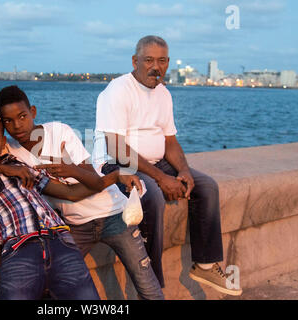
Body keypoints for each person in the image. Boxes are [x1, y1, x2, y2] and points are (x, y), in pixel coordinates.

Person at [0, 85, 163, 300]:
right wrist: (4, 168)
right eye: (8, 121)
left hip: (114, 214)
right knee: (53, 286)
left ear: (33, 112)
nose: (17, 125)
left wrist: (69, 169)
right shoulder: (9, 149)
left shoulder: (58, 131)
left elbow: (94, 179)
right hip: (75, 225)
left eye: (22, 116)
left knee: (147, 286)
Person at [0, 106, 139, 300]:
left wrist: (114, 177)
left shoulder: (19, 165)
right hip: (19, 248)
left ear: (3, 142)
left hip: (61, 241)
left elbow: (71, 193)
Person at [93, 35, 242, 296]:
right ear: (135, 61)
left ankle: (205, 264)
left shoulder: (163, 93)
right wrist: (161, 178)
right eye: (148, 60)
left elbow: (170, 141)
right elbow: (117, 147)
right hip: (117, 164)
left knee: (206, 186)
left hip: (154, 162)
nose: (155, 67)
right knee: (151, 196)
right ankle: (152, 284)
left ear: (168, 63)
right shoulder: (117, 91)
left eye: (161, 61)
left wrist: (183, 170)